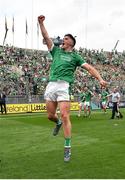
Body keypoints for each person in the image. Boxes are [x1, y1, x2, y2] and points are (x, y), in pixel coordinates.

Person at [38, 15, 107, 162]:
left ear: (72, 43)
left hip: (64, 86)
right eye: (63, 38)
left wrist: (100, 79)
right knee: (50, 116)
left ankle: (67, 148)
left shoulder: (76, 57)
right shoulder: (56, 51)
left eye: (66, 38)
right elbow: (45, 36)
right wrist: (41, 23)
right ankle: (57, 123)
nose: (63, 39)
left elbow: (89, 68)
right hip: (51, 84)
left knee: (65, 115)